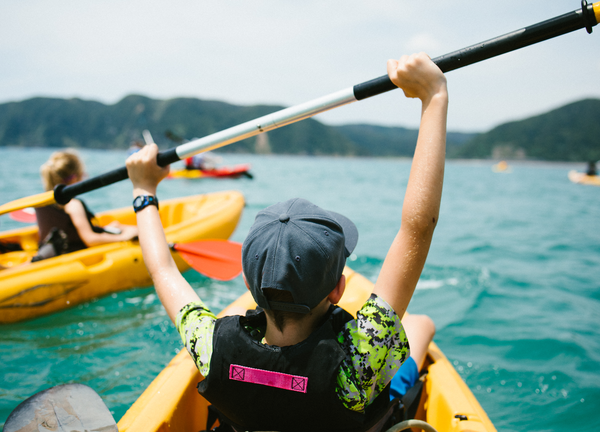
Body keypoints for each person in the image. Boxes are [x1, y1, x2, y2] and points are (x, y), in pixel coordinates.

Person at [125, 52, 446, 432]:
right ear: (338, 289)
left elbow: (162, 270)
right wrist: (434, 96)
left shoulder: (213, 347)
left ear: (248, 283)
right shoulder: (357, 363)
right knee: (421, 325)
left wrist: (143, 190)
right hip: (355, 410)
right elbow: (416, 230)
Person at [34, 149, 138, 261]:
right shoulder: (73, 204)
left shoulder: (43, 202)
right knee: (136, 231)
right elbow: (90, 239)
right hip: (74, 256)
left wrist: (106, 229)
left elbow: (68, 230)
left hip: (54, 252)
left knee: (120, 227)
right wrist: (124, 236)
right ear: (74, 178)